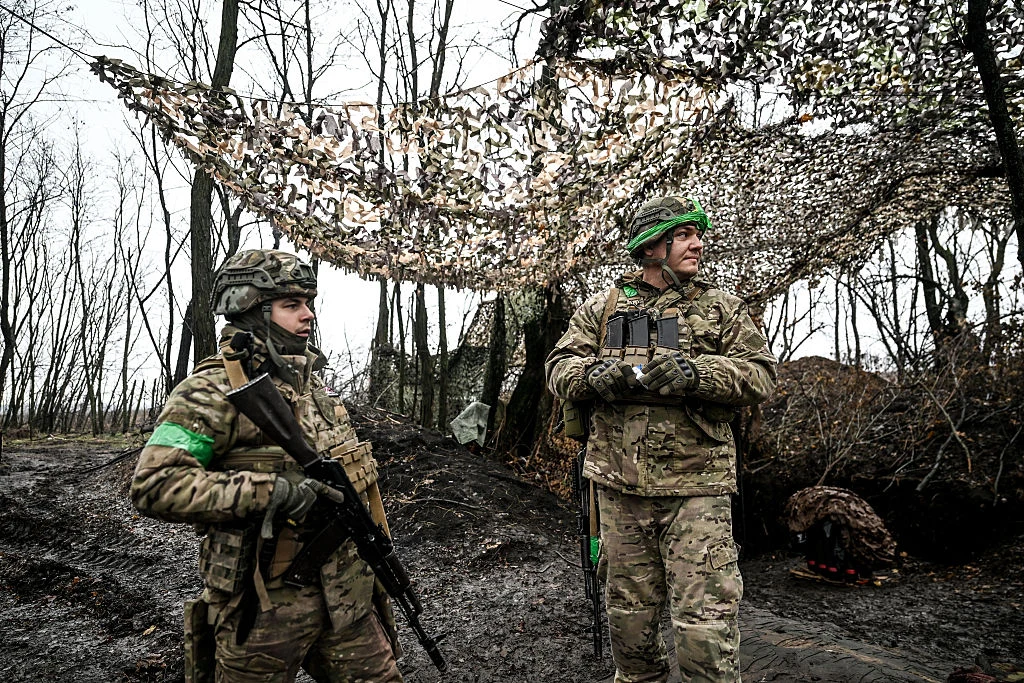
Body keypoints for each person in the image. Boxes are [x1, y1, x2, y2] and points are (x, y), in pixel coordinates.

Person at [131, 249, 403, 683]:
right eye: (291, 305)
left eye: (309, 303)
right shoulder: (209, 391)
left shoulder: (319, 394)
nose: (308, 315)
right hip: (261, 613)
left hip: (347, 605)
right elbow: (155, 484)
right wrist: (272, 493)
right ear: (251, 309)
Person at [545, 196, 778, 683]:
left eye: (699, 234)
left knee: (705, 631)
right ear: (654, 245)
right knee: (629, 626)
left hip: (696, 491)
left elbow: (761, 377)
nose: (699, 243)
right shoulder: (603, 308)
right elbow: (558, 368)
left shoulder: (720, 308)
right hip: (617, 489)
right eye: (687, 234)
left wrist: (698, 374)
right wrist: (594, 376)